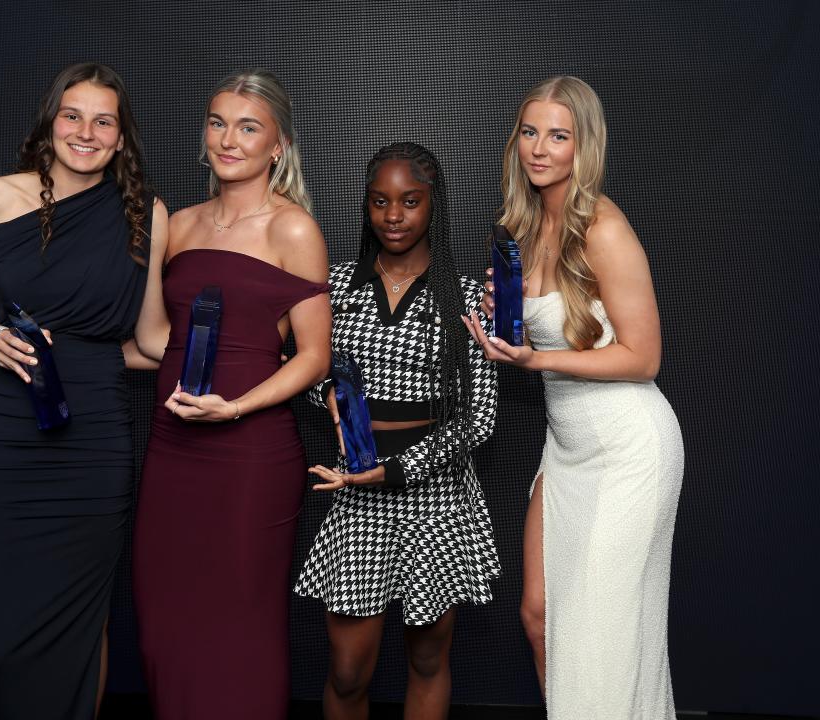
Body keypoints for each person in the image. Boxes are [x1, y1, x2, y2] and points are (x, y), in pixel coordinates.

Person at [0, 63, 167, 719]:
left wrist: (250, 362)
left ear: (122, 138)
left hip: (94, 442)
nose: (86, 132)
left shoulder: (146, 216)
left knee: (79, 625)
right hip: (7, 432)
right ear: (50, 121)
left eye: (105, 121)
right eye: (73, 115)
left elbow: (153, 340)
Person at [464, 76, 684, 719]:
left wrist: (536, 358)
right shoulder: (522, 228)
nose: (539, 149)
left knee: (602, 636)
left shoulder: (604, 227)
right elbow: (536, 340)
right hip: (565, 448)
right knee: (539, 616)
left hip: (628, 448)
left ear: (583, 145)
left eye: (558, 135)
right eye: (530, 132)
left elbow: (644, 357)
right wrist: (499, 335)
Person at [130, 68, 331, 719]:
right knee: (167, 618)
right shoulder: (180, 224)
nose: (228, 138)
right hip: (173, 451)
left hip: (250, 457)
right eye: (218, 122)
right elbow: (160, 339)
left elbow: (314, 355)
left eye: (248, 127)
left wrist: (237, 405)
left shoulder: (292, 230)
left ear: (278, 145)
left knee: (240, 628)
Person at [295, 142, 500, 719]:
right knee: (346, 670)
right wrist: (328, 394)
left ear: (434, 205)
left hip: (437, 497)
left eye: (410, 201)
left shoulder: (464, 299)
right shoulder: (335, 286)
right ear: (365, 206)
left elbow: (480, 417)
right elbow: (309, 367)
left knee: (429, 659)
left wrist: (401, 468)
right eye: (380, 201)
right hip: (357, 488)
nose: (393, 216)